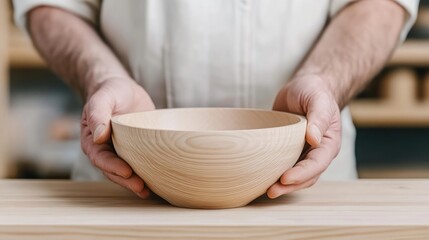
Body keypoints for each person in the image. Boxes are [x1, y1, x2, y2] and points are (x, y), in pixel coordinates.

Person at [14, 0, 417, 199]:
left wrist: (323, 81)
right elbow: (50, 5)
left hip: (303, 187)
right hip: (126, 185)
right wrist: (102, 77)